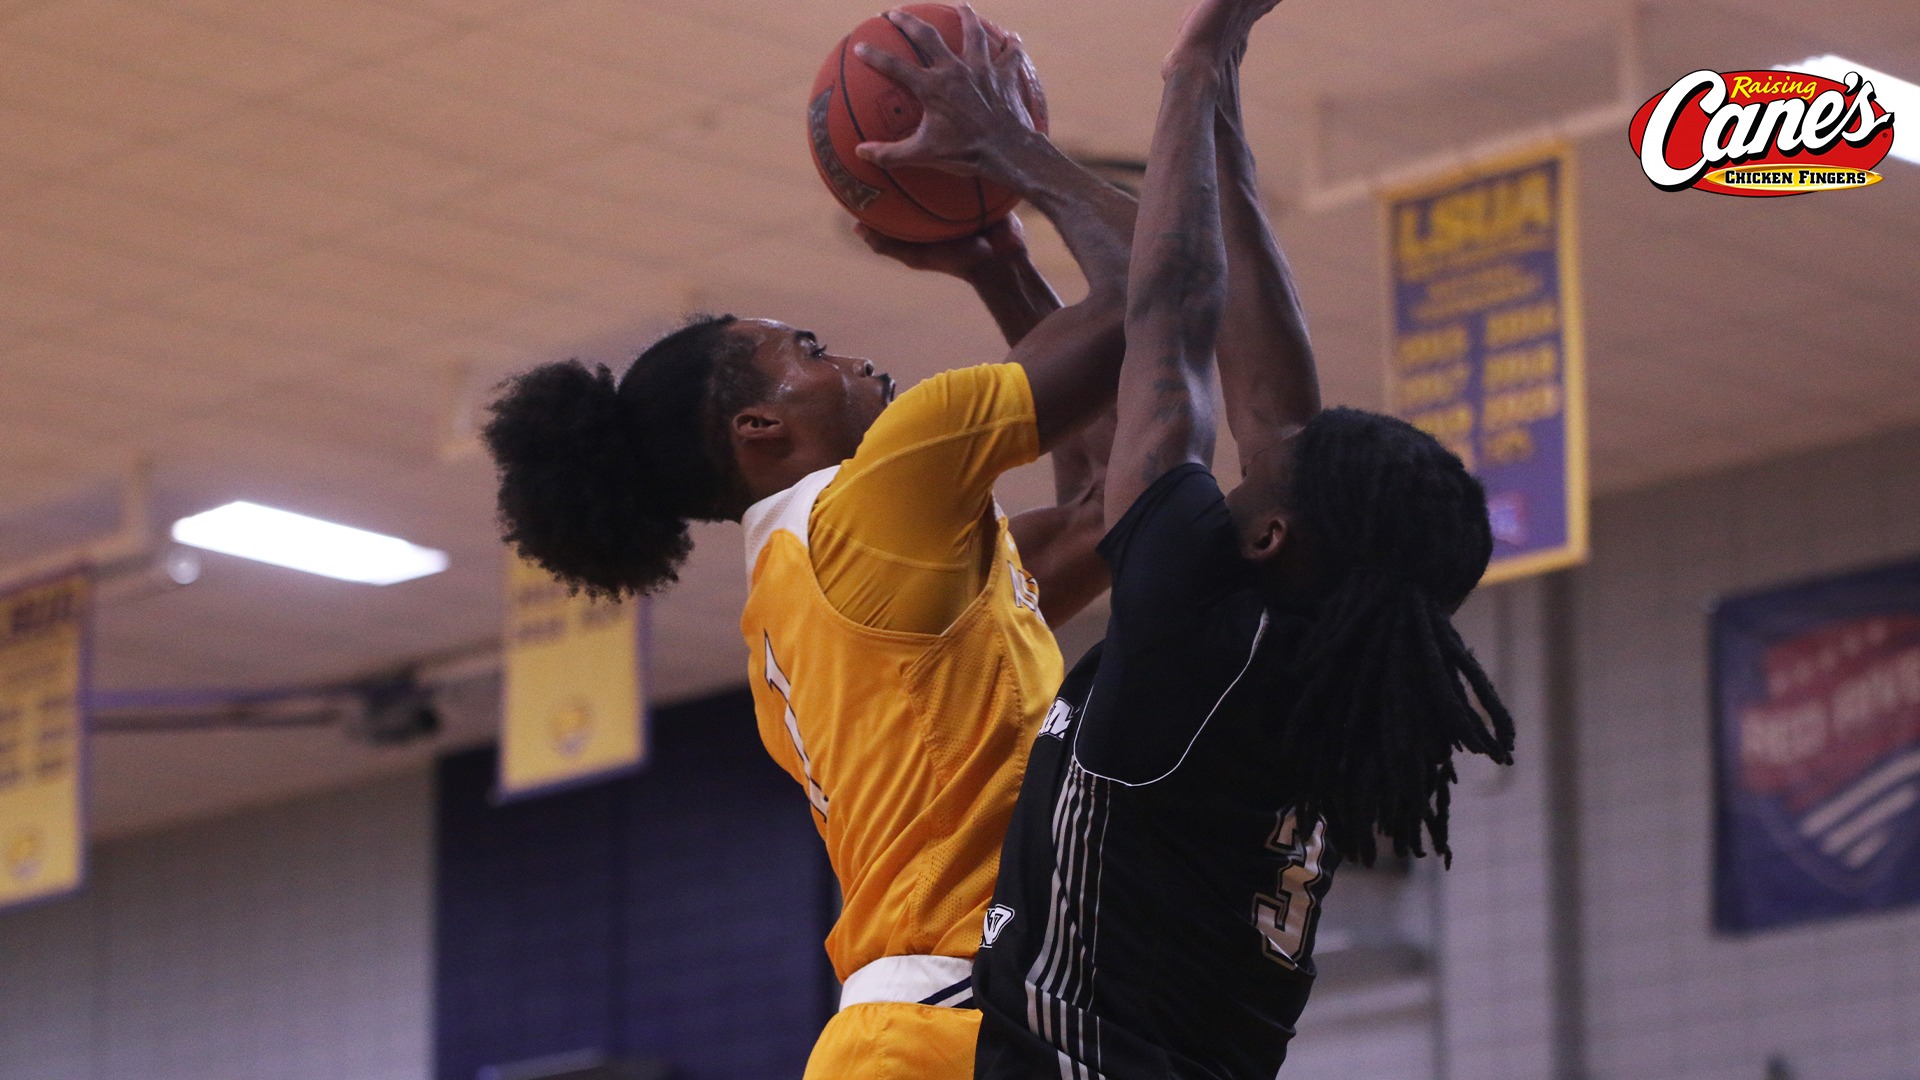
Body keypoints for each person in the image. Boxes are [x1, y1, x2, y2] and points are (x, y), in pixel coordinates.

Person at [483, 8, 1133, 1077]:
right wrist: (1011, 152)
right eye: (811, 351)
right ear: (760, 429)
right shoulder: (872, 503)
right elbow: (1149, 303)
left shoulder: (808, 587)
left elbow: (1108, 514)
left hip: (933, 1026)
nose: (849, 358)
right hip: (948, 1021)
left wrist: (999, 259)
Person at [971, 0, 1518, 1075]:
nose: (1251, 450)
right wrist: (1220, 94)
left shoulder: (1199, 635)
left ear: (1272, 534)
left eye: (1263, 470)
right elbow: (1274, 407)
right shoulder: (1299, 663)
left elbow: (1169, 316)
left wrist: (1185, 70)